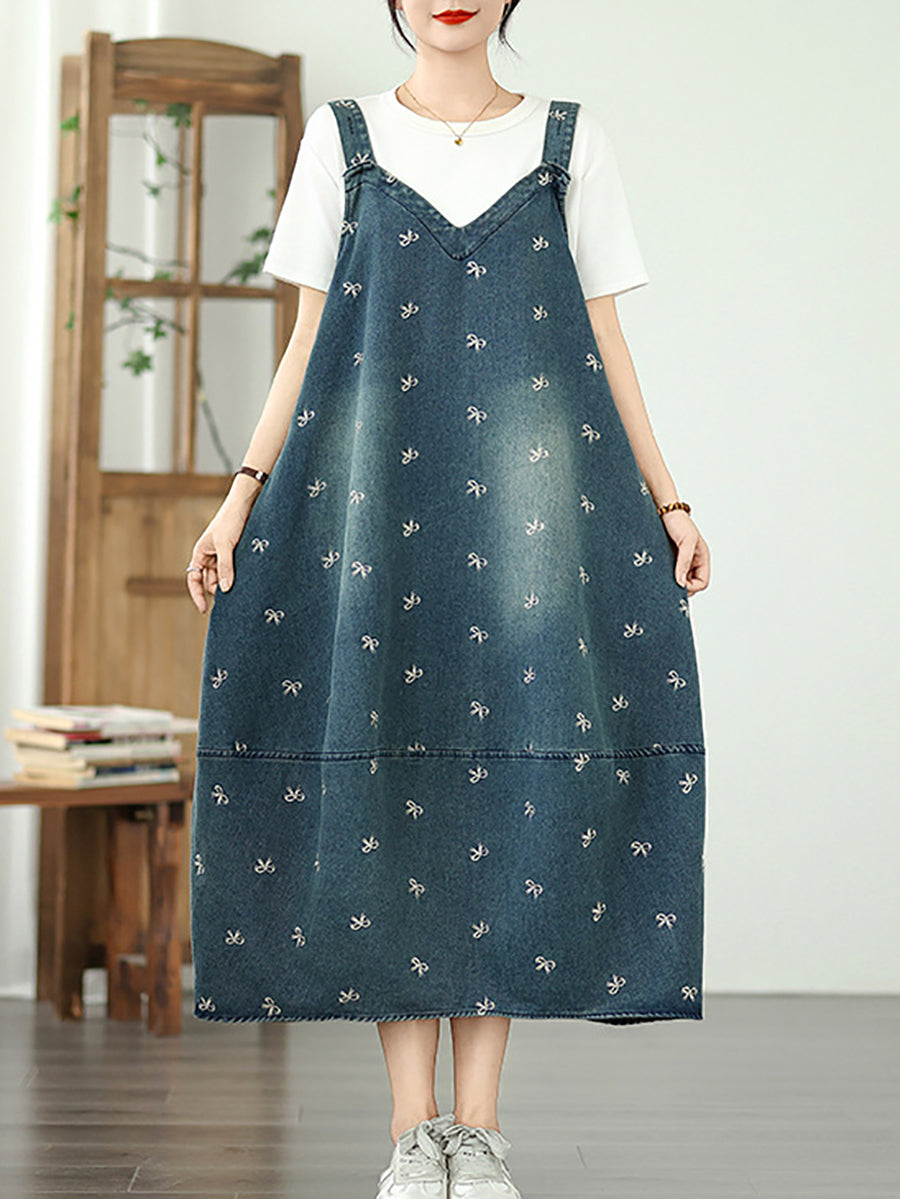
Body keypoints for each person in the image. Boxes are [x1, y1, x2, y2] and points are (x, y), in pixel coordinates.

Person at [185, 3, 711, 1197]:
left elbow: (605, 338)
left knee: (508, 785)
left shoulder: (571, 143)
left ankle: (478, 1132)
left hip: (533, 520)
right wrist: (239, 498)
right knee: (387, 783)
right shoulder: (343, 141)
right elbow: (307, 340)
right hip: (374, 509)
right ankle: (409, 1133)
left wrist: (669, 500)